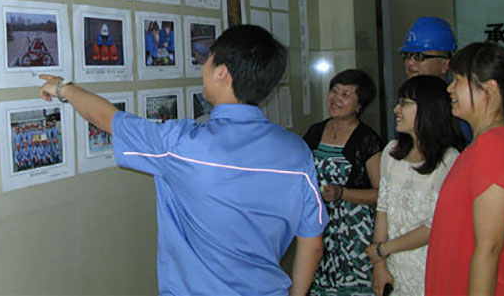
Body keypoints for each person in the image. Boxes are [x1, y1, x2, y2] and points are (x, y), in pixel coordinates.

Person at [38, 24, 327, 295]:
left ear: (222, 73)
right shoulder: (296, 152)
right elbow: (312, 243)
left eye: (208, 60)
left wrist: (62, 88)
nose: (202, 68)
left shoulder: (182, 145)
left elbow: (107, 118)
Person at [426, 42, 504, 295]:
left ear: (489, 89)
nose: (450, 88)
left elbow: (489, 249)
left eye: (458, 80)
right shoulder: (485, 144)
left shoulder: (495, 148)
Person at [365, 75, 462, 296]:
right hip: (392, 265)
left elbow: (435, 226)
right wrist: (379, 264)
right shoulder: (391, 151)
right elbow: (383, 209)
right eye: (398, 102)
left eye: (405, 103)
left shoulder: (450, 159)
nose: (396, 110)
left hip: (429, 266)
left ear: (429, 109)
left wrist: (383, 249)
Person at [302, 69, 384, 296]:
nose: (336, 98)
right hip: (320, 228)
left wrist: (342, 194)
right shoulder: (315, 132)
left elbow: (382, 194)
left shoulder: (367, 139)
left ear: (359, 105)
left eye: (346, 94)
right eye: (334, 91)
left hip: (355, 234)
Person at [399, 16, 504, 152]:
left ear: (445, 64)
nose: (410, 63)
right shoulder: (406, 104)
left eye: (419, 56)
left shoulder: (464, 103)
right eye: (406, 56)